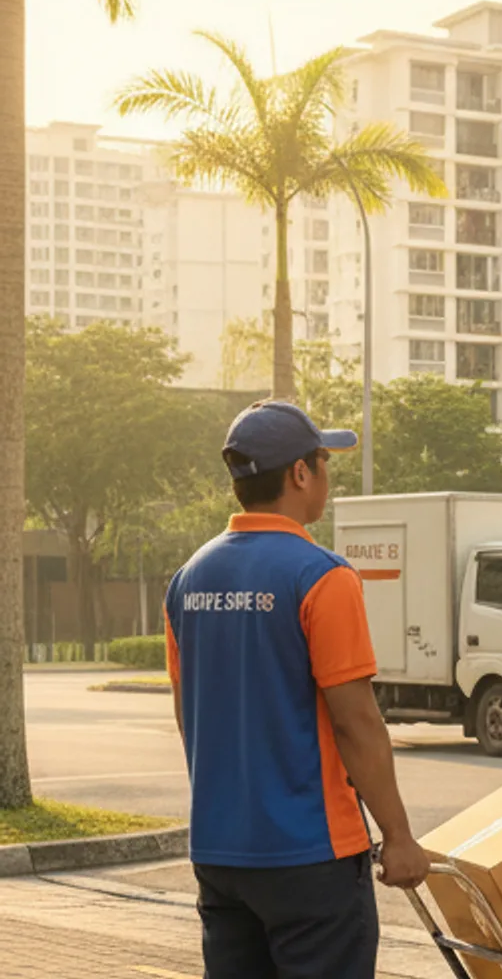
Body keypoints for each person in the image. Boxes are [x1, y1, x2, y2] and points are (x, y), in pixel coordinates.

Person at [164, 401, 428, 979]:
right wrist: (399, 837)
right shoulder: (322, 577)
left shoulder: (189, 579)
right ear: (300, 474)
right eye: (323, 462)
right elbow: (356, 721)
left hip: (219, 853)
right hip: (311, 857)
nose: (326, 477)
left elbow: (189, 713)